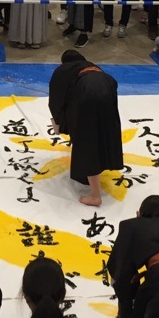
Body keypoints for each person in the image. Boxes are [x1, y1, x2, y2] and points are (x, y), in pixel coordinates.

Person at [48, 50, 123, 206]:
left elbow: (55, 100)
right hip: (109, 87)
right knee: (103, 132)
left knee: (87, 140)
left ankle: (95, 196)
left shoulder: (63, 70)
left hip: (87, 92)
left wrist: (59, 123)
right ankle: (101, 167)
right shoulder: (92, 66)